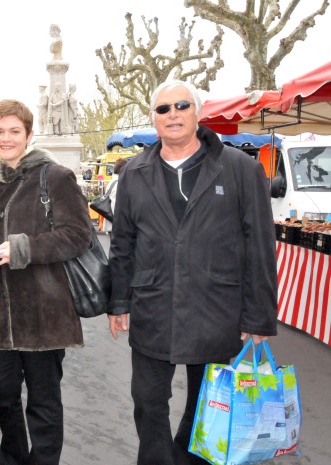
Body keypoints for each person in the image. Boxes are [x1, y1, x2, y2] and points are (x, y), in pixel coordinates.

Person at [108, 80, 278, 465]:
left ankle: (188, 458)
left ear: (198, 113)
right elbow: (123, 243)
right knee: (147, 402)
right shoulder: (134, 172)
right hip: (153, 306)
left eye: (182, 106)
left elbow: (260, 246)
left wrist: (259, 316)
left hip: (216, 307)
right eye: (163, 108)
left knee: (208, 404)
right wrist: (118, 301)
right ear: (153, 118)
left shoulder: (241, 169)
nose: (173, 114)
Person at [0, 99, 92, 465]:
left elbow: (78, 236)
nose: (6, 138)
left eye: (14, 131)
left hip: (44, 312)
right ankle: (15, 457)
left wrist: (23, 248)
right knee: (1, 393)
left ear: (29, 134)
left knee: (43, 401)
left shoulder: (55, 177)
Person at [102, 156, 128, 233]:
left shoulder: (112, 181)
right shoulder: (119, 183)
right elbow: (115, 204)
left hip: (111, 224)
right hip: (116, 225)